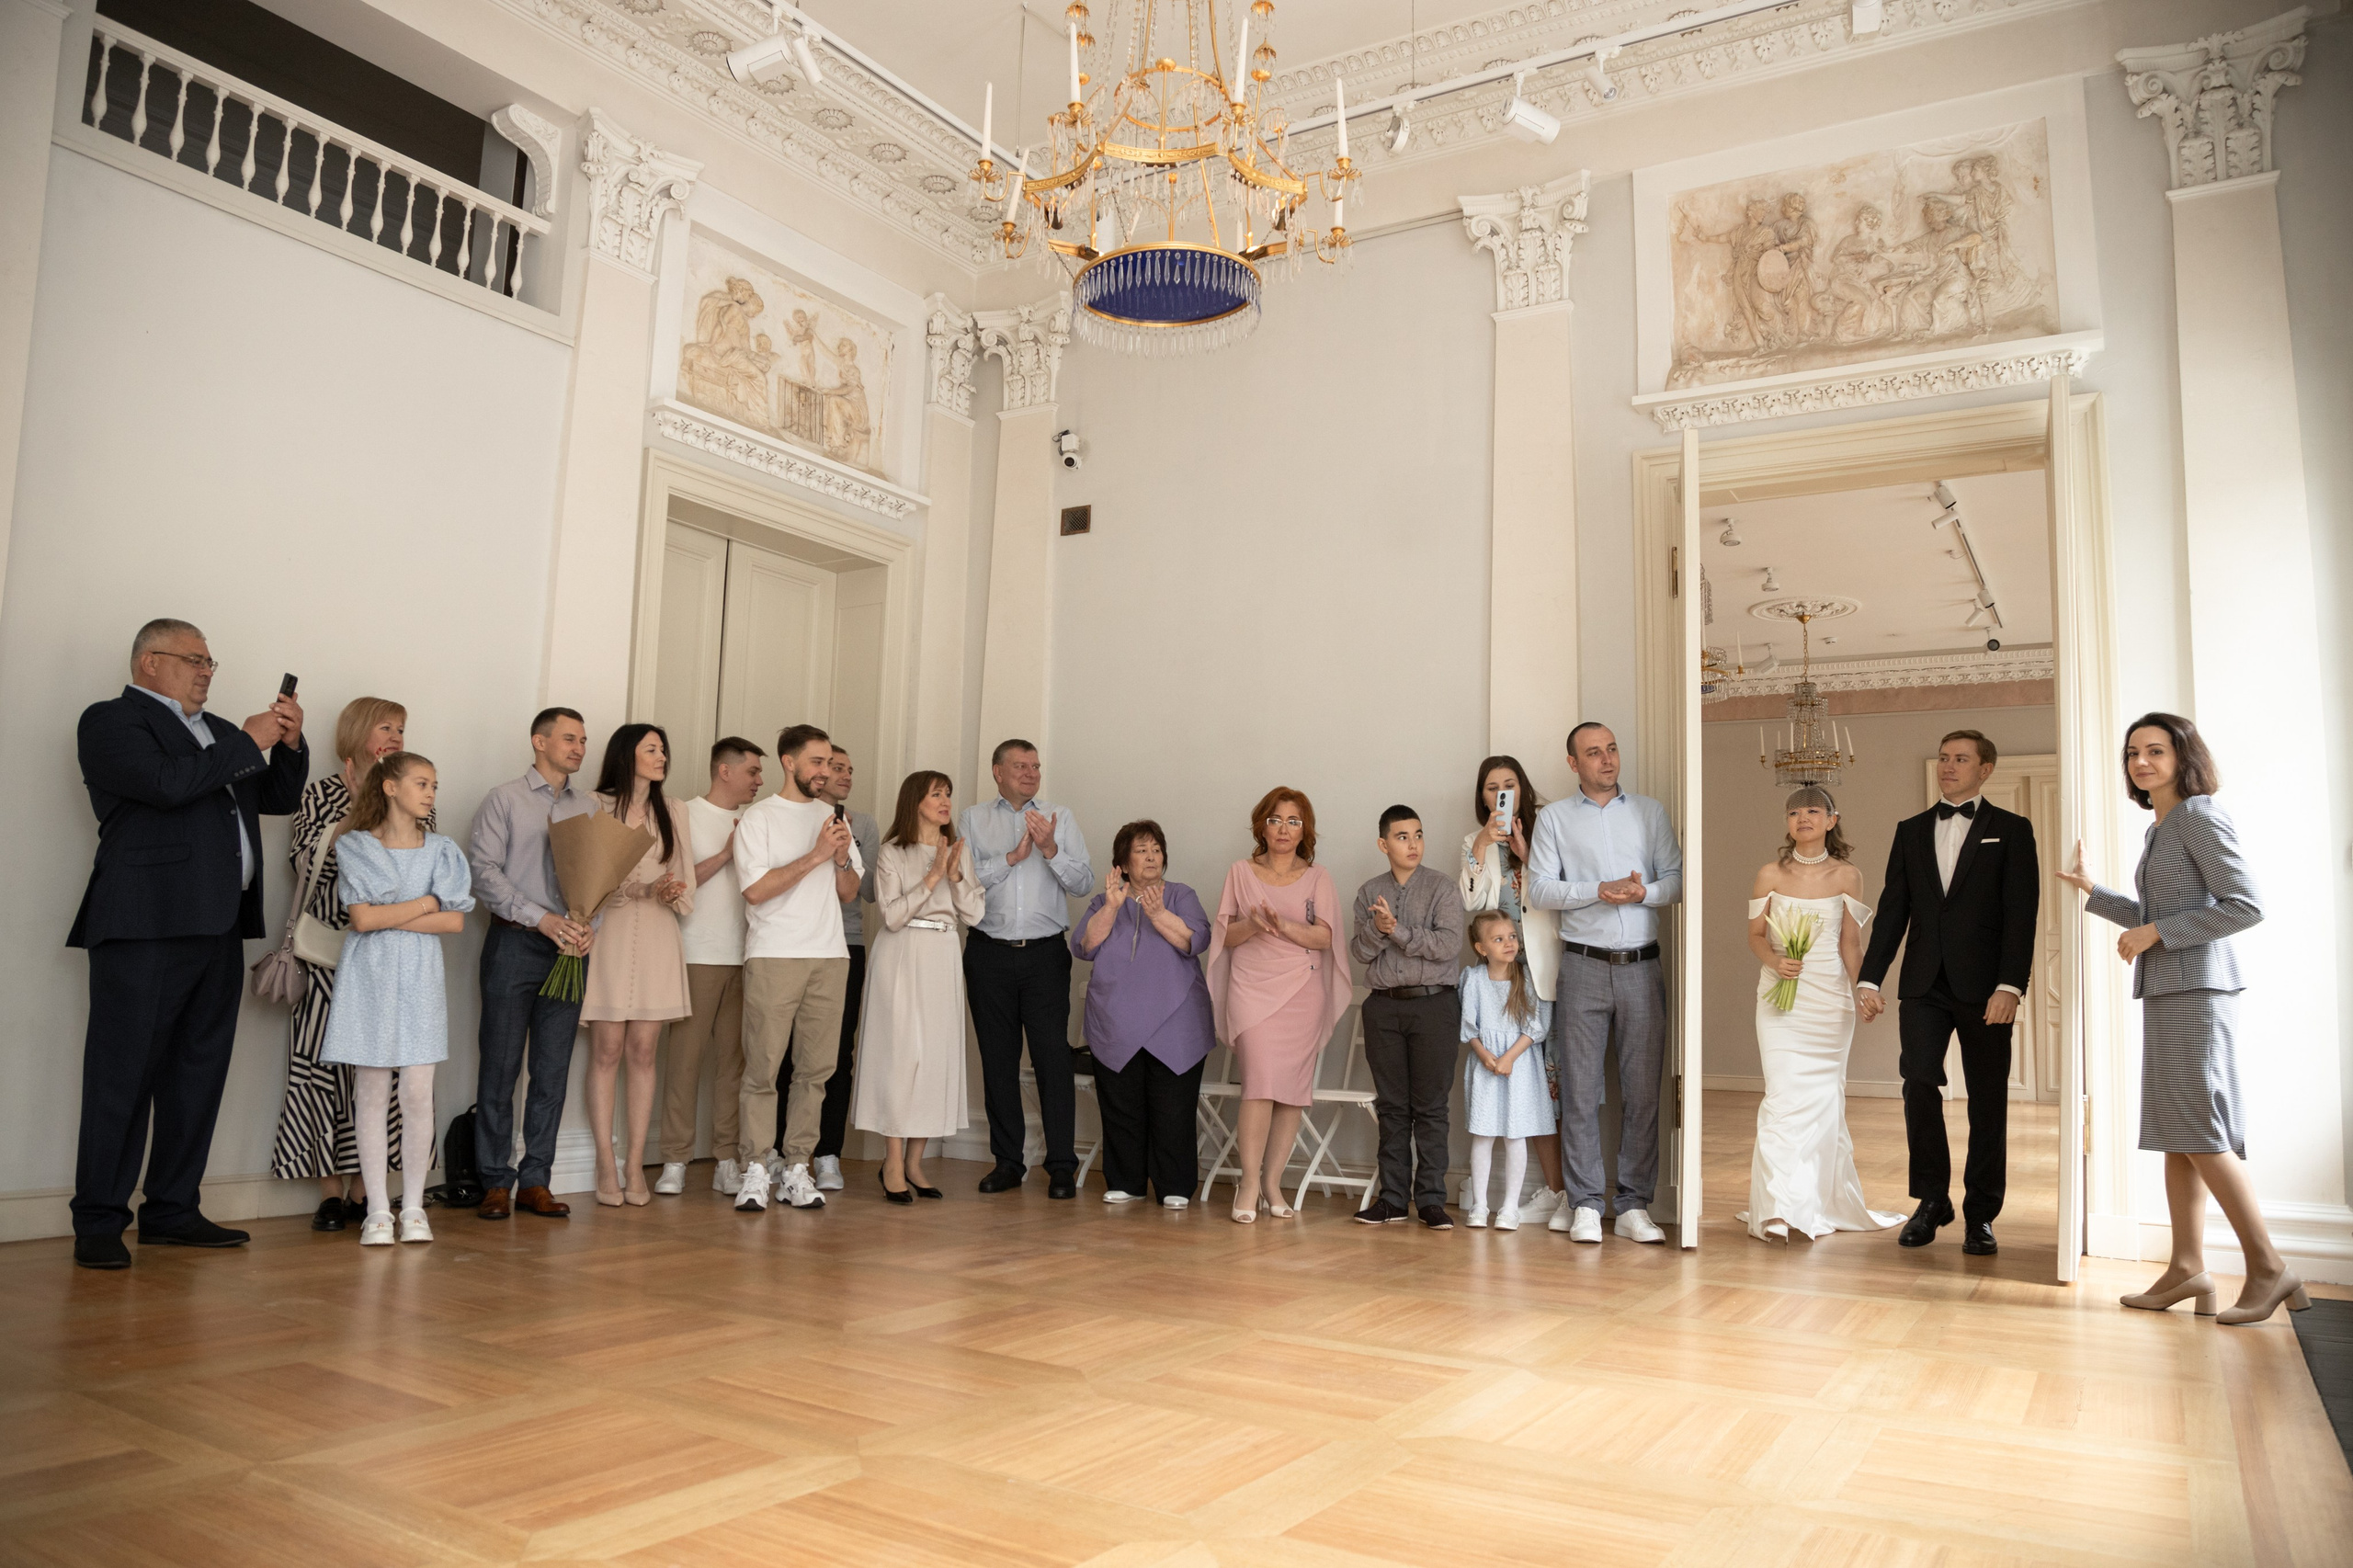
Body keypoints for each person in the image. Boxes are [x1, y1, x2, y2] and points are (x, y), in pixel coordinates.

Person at [68, 619, 307, 1269]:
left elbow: (279, 796)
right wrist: (249, 741)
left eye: (210, 662)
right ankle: (97, 1220)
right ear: (150, 662)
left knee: (197, 1072)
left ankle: (172, 1210)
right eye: (194, 659)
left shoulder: (226, 733)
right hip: (145, 923)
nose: (207, 671)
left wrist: (286, 741)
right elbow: (168, 785)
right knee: (123, 1075)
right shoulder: (112, 721)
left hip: (218, 924)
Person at [2061, 713, 2305, 1325]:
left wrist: (2155, 933)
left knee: (2200, 1129)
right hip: (2173, 992)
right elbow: (2159, 911)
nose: (2141, 762)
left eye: (2155, 750)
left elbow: (2245, 905)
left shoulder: (2198, 814)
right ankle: (2186, 1267)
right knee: (2179, 1134)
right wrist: (2095, 893)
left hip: (2200, 991)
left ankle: (2269, 1268)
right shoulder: (2161, 826)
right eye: (2133, 753)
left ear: (2182, 756)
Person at [1856, 729, 2037, 1256]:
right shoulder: (1910, 830)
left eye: (1961, 759)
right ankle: (1932, 1199)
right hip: (1923, 985)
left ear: (1986, 769)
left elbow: (2020, 916)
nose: (1948, 766)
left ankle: (1980, 1213)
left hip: (1988, 990)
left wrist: (2011, 985)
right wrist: (1871, 976)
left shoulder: (2013, 830)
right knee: (1918, 1083)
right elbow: (1893, 912)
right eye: (1943, 758)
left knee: (1987, 1099)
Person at [1526, 722, 1683, 1245]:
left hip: (1641, 965)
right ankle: (1586, 1203)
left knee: (1642, 1092)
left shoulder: (1650, 811)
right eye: (1593, 753)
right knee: (1580, 1092)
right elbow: (1542, 889)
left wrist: (1640, 896)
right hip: (1583, 967)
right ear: (1574, 763)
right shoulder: (1554, 819)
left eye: (1612, 749)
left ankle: (1635, 1204)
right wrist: (1599, 890)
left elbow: (1676, 881)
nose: (1607, 759)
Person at [268, 697, 415, 1233]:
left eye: (401, 727)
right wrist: (357, 809)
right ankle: (330, 1192)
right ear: (358, 733)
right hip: (324, 957)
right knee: (318, 1071)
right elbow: (305, 863)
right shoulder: (322, 792)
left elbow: (410, 875)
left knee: (379, 1074)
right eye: (386, 726)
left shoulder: (412, 793)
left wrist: (384, 806)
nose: (397, 735)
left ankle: (367, 1191)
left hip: (386, 957)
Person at [318, 753, 472, 1245]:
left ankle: (413, 1208)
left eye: (434, 784)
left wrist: (396, 911)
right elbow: (361, 920)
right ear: (389, 787)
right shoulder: (357, 846)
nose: (430, 792)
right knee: (371, 1090)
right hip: (371, 975)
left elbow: (454, 920)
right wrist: (427, 901)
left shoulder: (443, 850)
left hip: (421, 977)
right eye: (421, 782)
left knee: (417, 1093)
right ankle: (378, 1211)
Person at [1741, 787, 1905, 1243]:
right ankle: (1776, 1205)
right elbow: (1756, 935)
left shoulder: (1848, 876)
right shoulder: (1769, 873)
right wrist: (1775, 962)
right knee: (1781, 1098)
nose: (1803, 818)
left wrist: (1863, 989)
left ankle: (1809, 1198)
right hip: (1779, 997)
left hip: (1828, 1001)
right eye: (1794, 812)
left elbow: (1849, 943)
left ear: (1832, 820)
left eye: (1813, 810)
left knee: (1822, 1102)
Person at [468, 707, 597, 1221]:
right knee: (500, 1067)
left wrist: (588, 926)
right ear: (538, 742)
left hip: (569, 951)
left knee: (552, 1069)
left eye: (583, 740)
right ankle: (495, 1180)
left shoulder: (587, 807)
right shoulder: (504, 799)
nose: (580, 748)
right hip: (514, 944)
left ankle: (536, 1180)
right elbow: (484, 874)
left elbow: (595, 879)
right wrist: (540, 918)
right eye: (569, 738)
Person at [731, 724, 861, 1213]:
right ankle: (757, 1169)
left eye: (830, 763)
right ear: (790, 762)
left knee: (816, 1072)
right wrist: (817, 855)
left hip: (830, 956)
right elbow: (756, 891)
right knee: (763, 1068)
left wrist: (843, 857)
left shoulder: (834, 818)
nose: (825, 772)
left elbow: (848, 894)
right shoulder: (758, 818)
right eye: (817, 762)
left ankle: (798, 1168)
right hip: (774, 955)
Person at [1205, 789, 1350, 1224]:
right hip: (1251, 990)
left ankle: (1273, 1182)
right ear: (1261, 826)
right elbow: (1224, 937)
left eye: (1293, 821)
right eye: (1275, 819)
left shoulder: (1318, 877)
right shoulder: (1240, 872)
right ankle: (1249, 1183)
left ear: (1304, 830)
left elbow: (1326, 938)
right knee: (1259, 1085)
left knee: (1291, 1093)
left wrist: (1283, 925)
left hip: (1302, 994)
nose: (1284, 829)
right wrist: (1254, 923)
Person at [962, 739, 1094, 1199]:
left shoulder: (1060, 816)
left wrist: (1051, 849)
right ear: (997, 771)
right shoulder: (974, 819)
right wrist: (1013, 859)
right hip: (988, 953)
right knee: (997, 1061)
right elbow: (963, 880)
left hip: (1044, 954)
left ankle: (1060, 1165)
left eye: (1036, 766)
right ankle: (1008, 1162)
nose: (1030, 773)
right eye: (1020, 766)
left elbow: (1083, 883)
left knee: (1052, 1060)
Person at [580, 724, 696, 1208]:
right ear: (627, 755)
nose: (662, 756)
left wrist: (671, 892)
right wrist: (636, 890)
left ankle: (634, 1164)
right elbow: (581, 880)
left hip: (657, 935)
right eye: (652, 749)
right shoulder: (593, 805)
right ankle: (605, 1162)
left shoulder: (675, 811)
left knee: (644, 1050)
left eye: (664, 749)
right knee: (607, 1048)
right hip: (607, 934)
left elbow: (685, 881)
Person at [854, 770, 983, 1201]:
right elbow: (891, 916)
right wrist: (933, 874)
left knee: (934, 1056)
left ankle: (915, 1162)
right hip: (902, 953)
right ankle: (892, 1161)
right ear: (916, 801)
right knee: (899, 1054)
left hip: (944, 954)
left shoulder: (959, 852)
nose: (945, 801)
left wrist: (956, 874)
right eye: (936, 794)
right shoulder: (892, 852)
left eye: (948, 793)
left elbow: (975, 914)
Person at [1072, 821, 1214, 1210]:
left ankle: (1175, 1185)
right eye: (1141, 850)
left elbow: (1195, 940)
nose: (1151, 857)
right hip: (1115, 1022)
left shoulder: (1181, 894)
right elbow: (1084, 946)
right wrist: (1114, 906)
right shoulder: (1106, 901)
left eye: (1156, 849)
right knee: (1122, 1107)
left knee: (1173, 1110)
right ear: (1122, 861)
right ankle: (1126, 1181)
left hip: (1176, 1021)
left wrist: (1159, 915)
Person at [1458, 756, 1567, 1221]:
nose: (1500, 792)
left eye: (1508, 784)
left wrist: (1526, 855)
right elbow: (1472, 900)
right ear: (1483, 797)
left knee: (1551, 1086)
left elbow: (1563, 894)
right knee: (1503, 1083)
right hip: (1497, 978)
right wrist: (1484, 842)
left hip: (1540, 974)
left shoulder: (1548, 830)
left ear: (1521, 789)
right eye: (1490, 787)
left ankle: (1565, 1193)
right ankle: (1507, 1196)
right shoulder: (1473, 841)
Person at [1350, 805, 1468, 1229]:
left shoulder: (1442, 888)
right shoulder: (1368, 892)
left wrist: (1396, 930)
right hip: (1383, 1006)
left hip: (1434, 1004)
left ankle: (1432, 1200)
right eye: (1402, 837)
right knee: (1393, 1107)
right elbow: (1359, 953)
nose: (1412, 843)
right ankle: (1393, 1199)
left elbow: (1448, 945)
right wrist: (1377, 930)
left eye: (1417, 834)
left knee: (1431, 1107)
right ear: (1384, 844)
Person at [661, 737, 764, 1197]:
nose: (759, 781)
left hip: (748, 956)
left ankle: (727, 1158)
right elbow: (676, 883)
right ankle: (675, 1160)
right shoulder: (682, 812)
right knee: (684, 1061)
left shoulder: (760, 819)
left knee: (735, 1065)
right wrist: (727, 852)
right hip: (696, 953)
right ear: (724, 770)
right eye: (752, 772)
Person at [791, 744, 880, 1193]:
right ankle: (778, 1154)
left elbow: (868, 894)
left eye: (848, 769)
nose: (843, 774)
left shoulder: (861, 823)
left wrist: (850, 850)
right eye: (835, 767)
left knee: (836, 1054)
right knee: (786, 1054)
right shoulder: (793, 815)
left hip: (846, 945)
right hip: (792, 944)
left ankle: (827, 1154)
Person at [1459, 911, 1555, 1230]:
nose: (1509, 943)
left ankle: (1510, 1208)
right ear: (1481, 947)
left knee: (1516, 1136)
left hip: (1520, 1065)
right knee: (1483, 1135)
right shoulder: (1473, 979)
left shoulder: (1526, 978)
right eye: (1498, 939)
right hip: (1485, 1065)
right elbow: (1469, 1028)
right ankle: (1480, 1205)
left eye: (1512, 936)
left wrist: (1509, 1057)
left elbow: (1534, 1026)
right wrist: (1486, 1056)